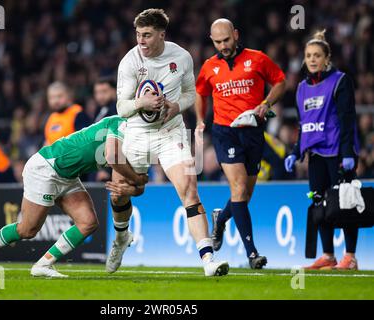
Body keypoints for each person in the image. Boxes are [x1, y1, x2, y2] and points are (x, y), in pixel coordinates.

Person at [107, 8, 229, 277]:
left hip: (170, 132)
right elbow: (121, 107)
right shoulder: (129, 62)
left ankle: (208, 259)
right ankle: (120, 239)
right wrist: (142, 102)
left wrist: (177, 106)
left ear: (162, 34)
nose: (141, 41)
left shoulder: (182, 57)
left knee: (189, 189)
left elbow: (189, 93)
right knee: (119, 191)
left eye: (147, 35)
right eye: (138, 35)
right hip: (136, 132)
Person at [0, 115, 148, 278]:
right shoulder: (120, 124)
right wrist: (138, 179)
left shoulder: (138, 144)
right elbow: (113, 159)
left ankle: (43, 264)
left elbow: (131, 187)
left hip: (67, 176)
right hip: (46, 167)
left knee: (88, 223)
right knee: (28, 230)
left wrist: (134, 187)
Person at [195, 19, 286, 269]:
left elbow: (281, 81)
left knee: (244, 194)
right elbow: (200, 92)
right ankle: (252, 254)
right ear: (211, 40)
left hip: (254, 132)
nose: (223, 45)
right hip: (225, 132)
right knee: (238, 188)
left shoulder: (257, 59)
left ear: (235, 34)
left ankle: (221, 219)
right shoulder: (209, 66)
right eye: (217, 41)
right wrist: (201, 120)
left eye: (226, 40)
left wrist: (266, 103)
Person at [284, 30, 360, 270]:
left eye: (317, 55)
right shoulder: (301, 89)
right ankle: (328, 255)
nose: (313, 59)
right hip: (315, 156)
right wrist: (296, 152)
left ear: (327, 58)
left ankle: (350, 256)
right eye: (308, 55)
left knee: (346, 204)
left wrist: (348, 153)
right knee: (319, 205)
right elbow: (303, 125)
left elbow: (348, 120)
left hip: (338, 153)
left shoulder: (340, 81)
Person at [44, 81, 90, 145]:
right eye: (52, 97)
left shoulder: (77, 114)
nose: (56, 101)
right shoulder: (52, 117)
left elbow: (85, 141)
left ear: (68, 95)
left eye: (59, 96)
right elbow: (47, 142)